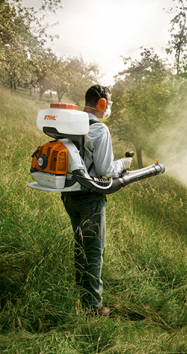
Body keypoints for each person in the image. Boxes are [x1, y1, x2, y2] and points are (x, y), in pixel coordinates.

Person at [61, 85, 131, 317]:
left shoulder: (71, 122)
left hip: (69, 195)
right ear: (101, 104)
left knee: (81, 246)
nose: (109, 107)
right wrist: (122, 164)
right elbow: (105, 169)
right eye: (108, 103)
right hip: (90, 197)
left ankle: (83, 296)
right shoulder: (100, 130)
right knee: (93, 251)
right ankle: (92, 308)